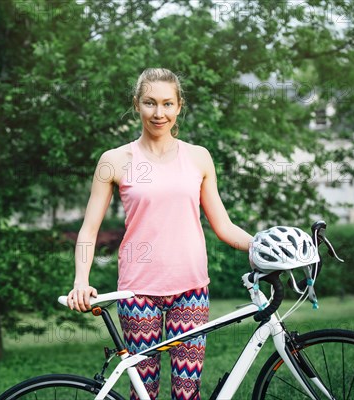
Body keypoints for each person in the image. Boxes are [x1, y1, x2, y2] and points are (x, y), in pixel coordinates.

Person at [66, 68, 253, 400]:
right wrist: (81, 280)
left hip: (191, 290)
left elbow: (223, 226)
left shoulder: (199, 158)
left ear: (179, 106)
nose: (159, 112)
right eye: (150, 103)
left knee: (187, 394)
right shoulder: (114, 160)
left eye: (167, 103)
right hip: (138, 292)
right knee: (144, 394)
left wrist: (264, 246)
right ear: (137, 104)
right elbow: (89, 229)